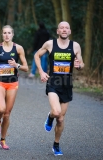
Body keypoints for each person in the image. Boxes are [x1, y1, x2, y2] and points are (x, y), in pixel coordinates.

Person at [34, 21, 84, 156]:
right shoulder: (50, 44)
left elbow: (81, 64)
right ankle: (50, 116)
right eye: (61, 27)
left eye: (66, 28)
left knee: (61, 119)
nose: (64, 29)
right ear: (57, 31)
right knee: (56, 112)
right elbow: (37, 55)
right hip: (53, 83)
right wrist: (41, 71)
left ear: (70, 31)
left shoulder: (75, 46)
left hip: (67, 84)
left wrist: (79, 65)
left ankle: (56, 145)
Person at [0, 25, 28, 150]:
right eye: (4, 33)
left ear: (13, 35)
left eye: (9, 33)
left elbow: (26, 68)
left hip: (13, 83)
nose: (7, 35)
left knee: (7, 114)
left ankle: (3, 140)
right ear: (2, 34)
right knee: (1, 109)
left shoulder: (19, 48)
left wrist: (17, 65)